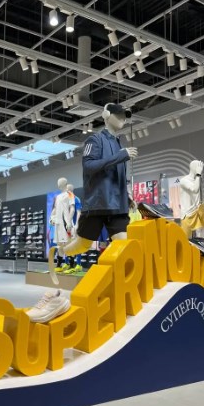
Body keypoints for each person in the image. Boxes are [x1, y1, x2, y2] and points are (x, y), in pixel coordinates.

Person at [47, 103, 138, 278]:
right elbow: (89, 166)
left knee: (123, 247)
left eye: (124, 116)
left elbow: (117, 175)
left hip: (118, 207)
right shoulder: (94, 140)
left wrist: (126, 196)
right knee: (82, 245)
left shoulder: (119, 144)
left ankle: (119, 282)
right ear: (106, 115)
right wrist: (120, 156)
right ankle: (60, 251)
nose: (122, 119)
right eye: (118, 115)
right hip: (98, 205)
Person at [49, 177, 75, 273]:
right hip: (58, 223)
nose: (58, 183)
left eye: (60, 182)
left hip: (66, 222)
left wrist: (69, 222)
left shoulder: (70, 194)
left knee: (68, 244)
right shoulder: (58, 197)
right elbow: (55, 209)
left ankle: (72, 265)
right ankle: (59, 264)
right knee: (59, 244)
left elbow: (72, 208)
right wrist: (51, 218)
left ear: (64, 183)